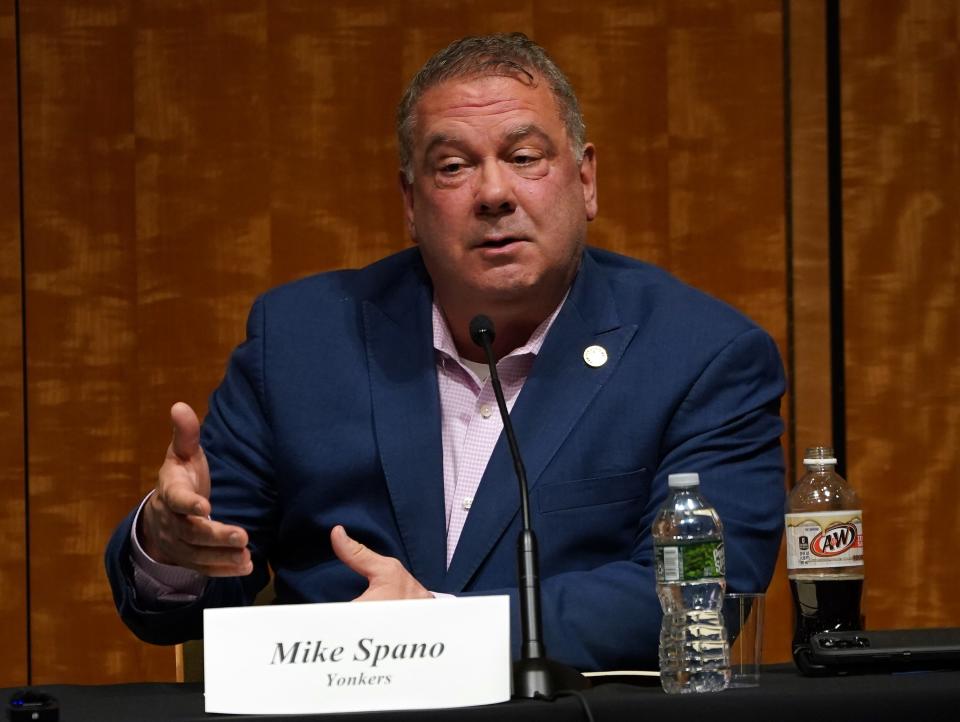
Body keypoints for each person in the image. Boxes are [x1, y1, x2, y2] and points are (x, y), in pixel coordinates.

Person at [105, 32, 785, 672]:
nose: (493, 194)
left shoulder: (702, 356)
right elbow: (191, 590)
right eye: (454, 166)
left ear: (585, 180)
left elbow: (699, 601)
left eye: (524, 158)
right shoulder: (302, 340)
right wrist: (170, 547)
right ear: (411, 202)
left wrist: (440, 627)